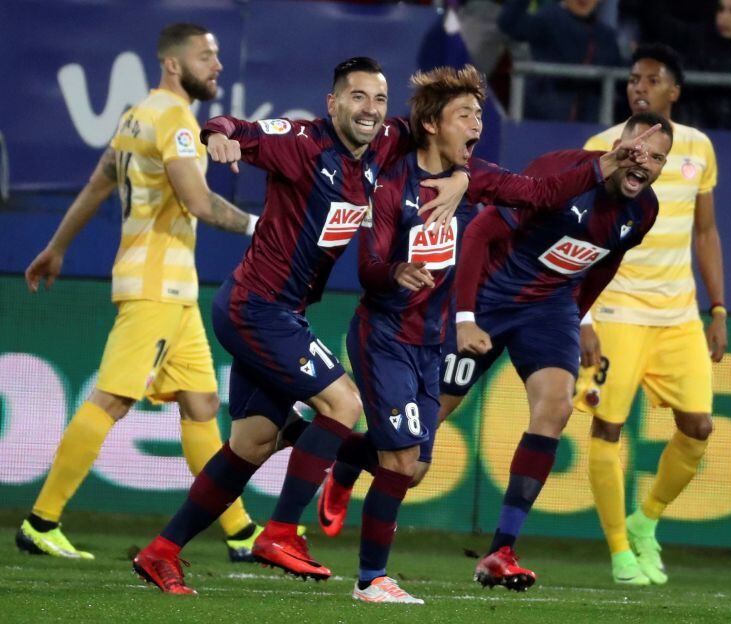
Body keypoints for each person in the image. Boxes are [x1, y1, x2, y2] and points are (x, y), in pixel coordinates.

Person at [132, 56, 470, 595]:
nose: (370, 109)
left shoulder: (385, 141)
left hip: (282, 312)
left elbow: (442, 139)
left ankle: (161, 551)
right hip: (256, 308)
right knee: (343, 403)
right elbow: (233, 127)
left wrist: (462, 177)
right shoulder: (301, 142)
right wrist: (217, 137)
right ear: (332, 103)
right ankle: (282, 532)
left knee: (252, 443)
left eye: (379, 99)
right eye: (357, 97)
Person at [339, 63, 650, 604]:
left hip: (541, 311)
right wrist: (463, 316)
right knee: (412, 461)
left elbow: (578, 237)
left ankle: (500, 549)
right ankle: (340, 460)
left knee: (550, 410)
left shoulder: (639, 210)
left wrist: (579, 319)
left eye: (479, 114)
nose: (477, 124)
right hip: (470, 304)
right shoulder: (398, 162)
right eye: (465, 114)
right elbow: (479, 230)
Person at [17, 23, 263, 562]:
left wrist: (57, 247)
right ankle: (41, 521)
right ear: (174, 64)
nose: (217, 66)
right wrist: (259, 227)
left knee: (201, 404)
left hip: (174, 291)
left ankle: (241, 533)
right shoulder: (174, 119)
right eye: (205, 57)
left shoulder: (137, 115)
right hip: (156, 286)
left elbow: (97, 185)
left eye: (217, 56)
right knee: (113, 398)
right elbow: (199, 202)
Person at [575, 43, 727, 586]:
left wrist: (718, 308)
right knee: (607, 427)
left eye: (652, 79)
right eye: (633, 79)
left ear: (674, 91)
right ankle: (620, 551)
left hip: (679, 315)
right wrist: (582, 318)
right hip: (616, 309)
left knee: (699, 426)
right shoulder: (601, 147)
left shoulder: (698, 147)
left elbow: (705, 232)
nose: (639, 87)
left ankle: (646, 519)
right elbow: (578, 234)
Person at [637, 0, 731, 131]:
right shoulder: (699, 44)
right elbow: (661, 23)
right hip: (698, 132)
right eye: (721, 9)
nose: (724, 17)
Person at [497, 0, 622, 121]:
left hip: (590, 127)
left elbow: (622, 78)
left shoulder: (606, 36)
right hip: (542, 123)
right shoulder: (548, 19)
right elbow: (510, 24)